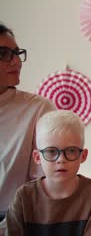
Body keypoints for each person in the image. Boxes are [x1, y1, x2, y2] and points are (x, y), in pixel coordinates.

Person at [3, 110, 91, 235]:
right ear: (37, 157)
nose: (61, 159)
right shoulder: (24, 196)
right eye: (51, 151)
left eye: (71, 151)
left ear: (83, 156)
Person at [0, 23, 56, 221]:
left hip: (17, 218)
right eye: (4, 54)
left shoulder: (39, 109)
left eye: (17, 53)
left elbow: (45, 179)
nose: (16, 62)